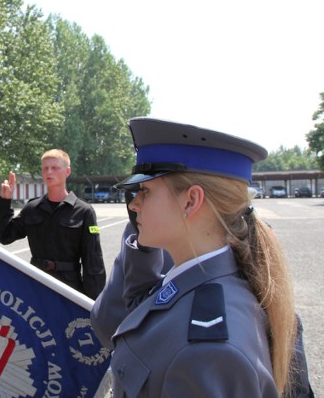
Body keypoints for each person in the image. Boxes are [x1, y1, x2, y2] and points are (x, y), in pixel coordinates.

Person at [97, 117, 300, 397]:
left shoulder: (209, 352)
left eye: (145, 191)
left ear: (191, 201)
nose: (134, 203)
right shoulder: (191, 284)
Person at [0, 149, 106, 299]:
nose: (49, 172)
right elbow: (5, 236)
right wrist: (5, 202)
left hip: (69, 287)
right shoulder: (32, 208)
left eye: (55, 168)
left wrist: (94, 300)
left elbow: (93, 259)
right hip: (37, 283)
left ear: (67, 171)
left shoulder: (83, 211)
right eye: (45, 168)